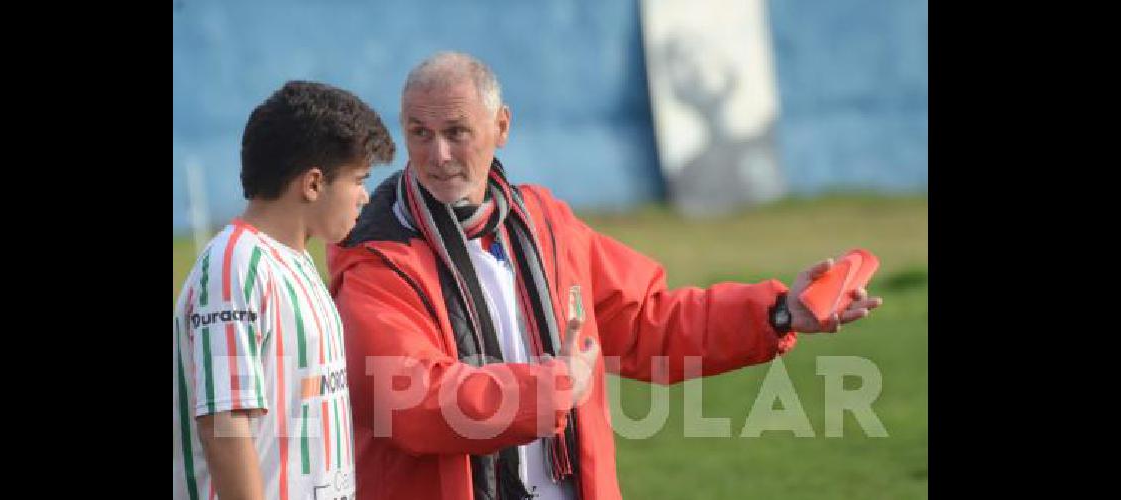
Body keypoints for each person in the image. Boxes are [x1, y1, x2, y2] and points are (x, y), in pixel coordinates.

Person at [328, 52, 883, 500]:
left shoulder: (546, 223)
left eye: (456, 131)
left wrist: (779, 311)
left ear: (501, 127)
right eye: (419, 133)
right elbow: (412, 399)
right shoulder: (375, 258)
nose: (437, 154)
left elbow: (649, 320)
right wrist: (552, 390)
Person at [173, 80, 395, 500]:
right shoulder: (234, 267)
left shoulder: (298, 263)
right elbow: (225, 427)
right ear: (313, 184)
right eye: (359, 180)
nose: (365, 197)